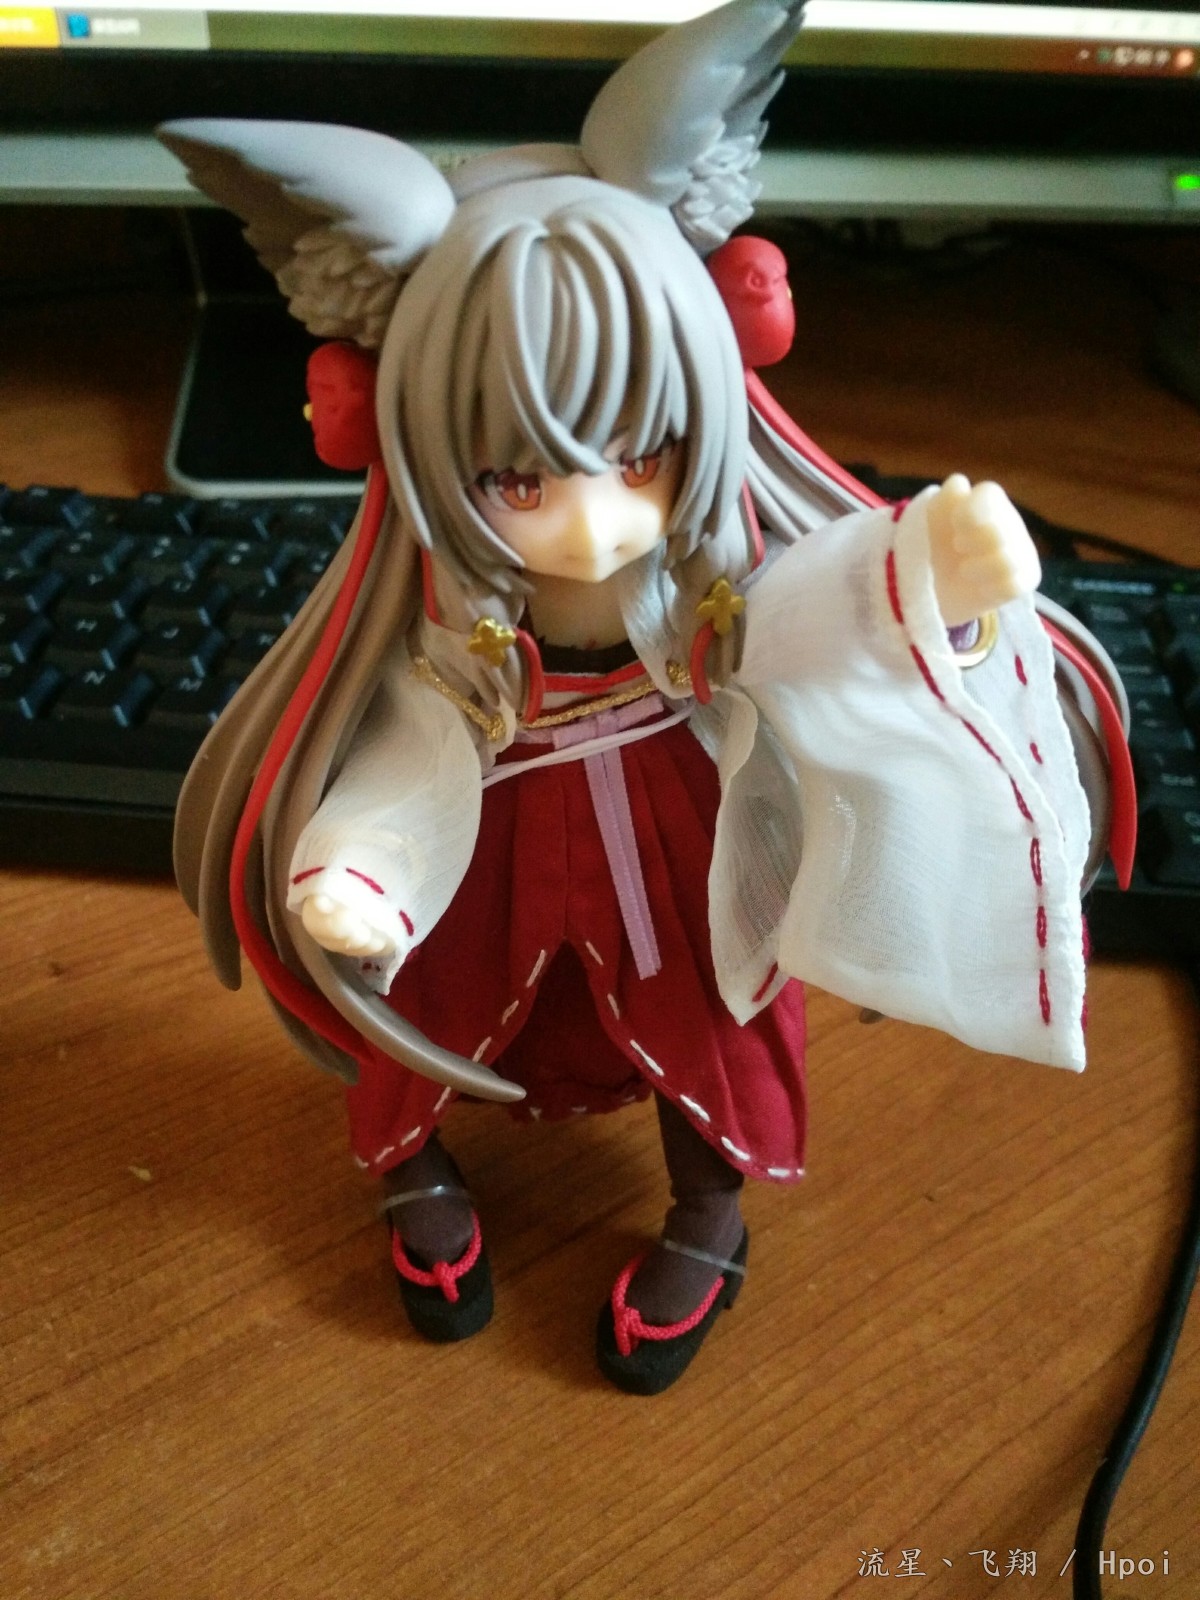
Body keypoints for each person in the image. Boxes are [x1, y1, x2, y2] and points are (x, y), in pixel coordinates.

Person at [163, 0, 1117, 1394]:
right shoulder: (448, 610)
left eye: (640, 459)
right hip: (484, 831)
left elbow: (800, 618)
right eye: (519, 479)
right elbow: (409, 738)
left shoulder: (703, 578)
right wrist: (357, 864)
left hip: (676, 818)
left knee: (706, 1015)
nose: (594, 526)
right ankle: (414, 1170)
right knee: (414, 992)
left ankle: (708, 1214)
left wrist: (927, 586)